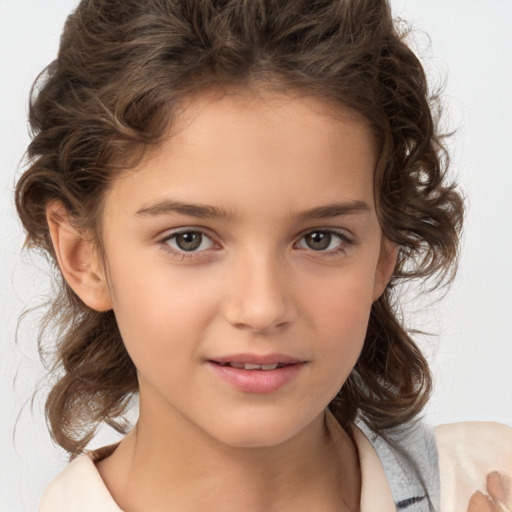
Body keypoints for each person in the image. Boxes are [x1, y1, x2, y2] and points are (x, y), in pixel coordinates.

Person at [14, 0, 512, 511]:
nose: (262, 307)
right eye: (189, 239)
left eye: (321, 239)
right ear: (83, 256)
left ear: (385, 253)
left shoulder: (493, 476)